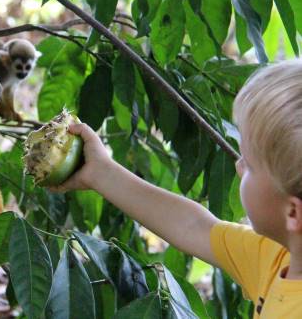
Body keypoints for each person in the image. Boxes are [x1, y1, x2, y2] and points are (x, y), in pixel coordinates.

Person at [49, 60, 302, 317]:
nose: (238, 167)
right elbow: (193, 226)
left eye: (249, 163)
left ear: (293, 213)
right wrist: (101, 172)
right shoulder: (278, 255)